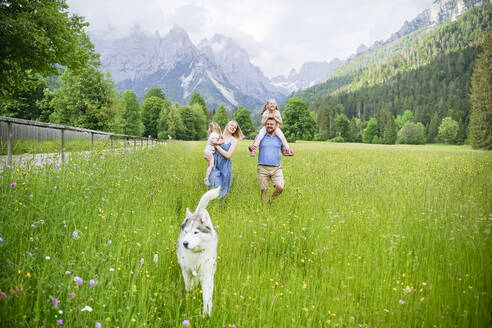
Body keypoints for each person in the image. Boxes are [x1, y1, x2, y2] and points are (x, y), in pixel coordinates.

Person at [206, 120, 243, 199]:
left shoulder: (234, 141)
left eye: (235, 127)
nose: (233, 128)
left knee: (223, 189)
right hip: (214, 164)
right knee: (213, 183)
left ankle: (220, 208)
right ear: (227, 125)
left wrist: (217, 146)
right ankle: (211, 204)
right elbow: (209, 146)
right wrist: (207, 156)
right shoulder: (218, 135)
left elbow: (228, 155)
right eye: (231, 125)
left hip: (225, 166)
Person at [251, 117, 285, 204]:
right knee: (264, 191)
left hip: (276, 168)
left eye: (271, 124)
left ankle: (271, 200)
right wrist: (250, 148)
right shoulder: (260, 136)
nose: (269, 126)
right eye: (267, 124)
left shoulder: (279, 137)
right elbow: (252, 147)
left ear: (276, 125)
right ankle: (264, 210)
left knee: (280, 187)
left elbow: (283, 151)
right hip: (262, 167)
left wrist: (286, 151)